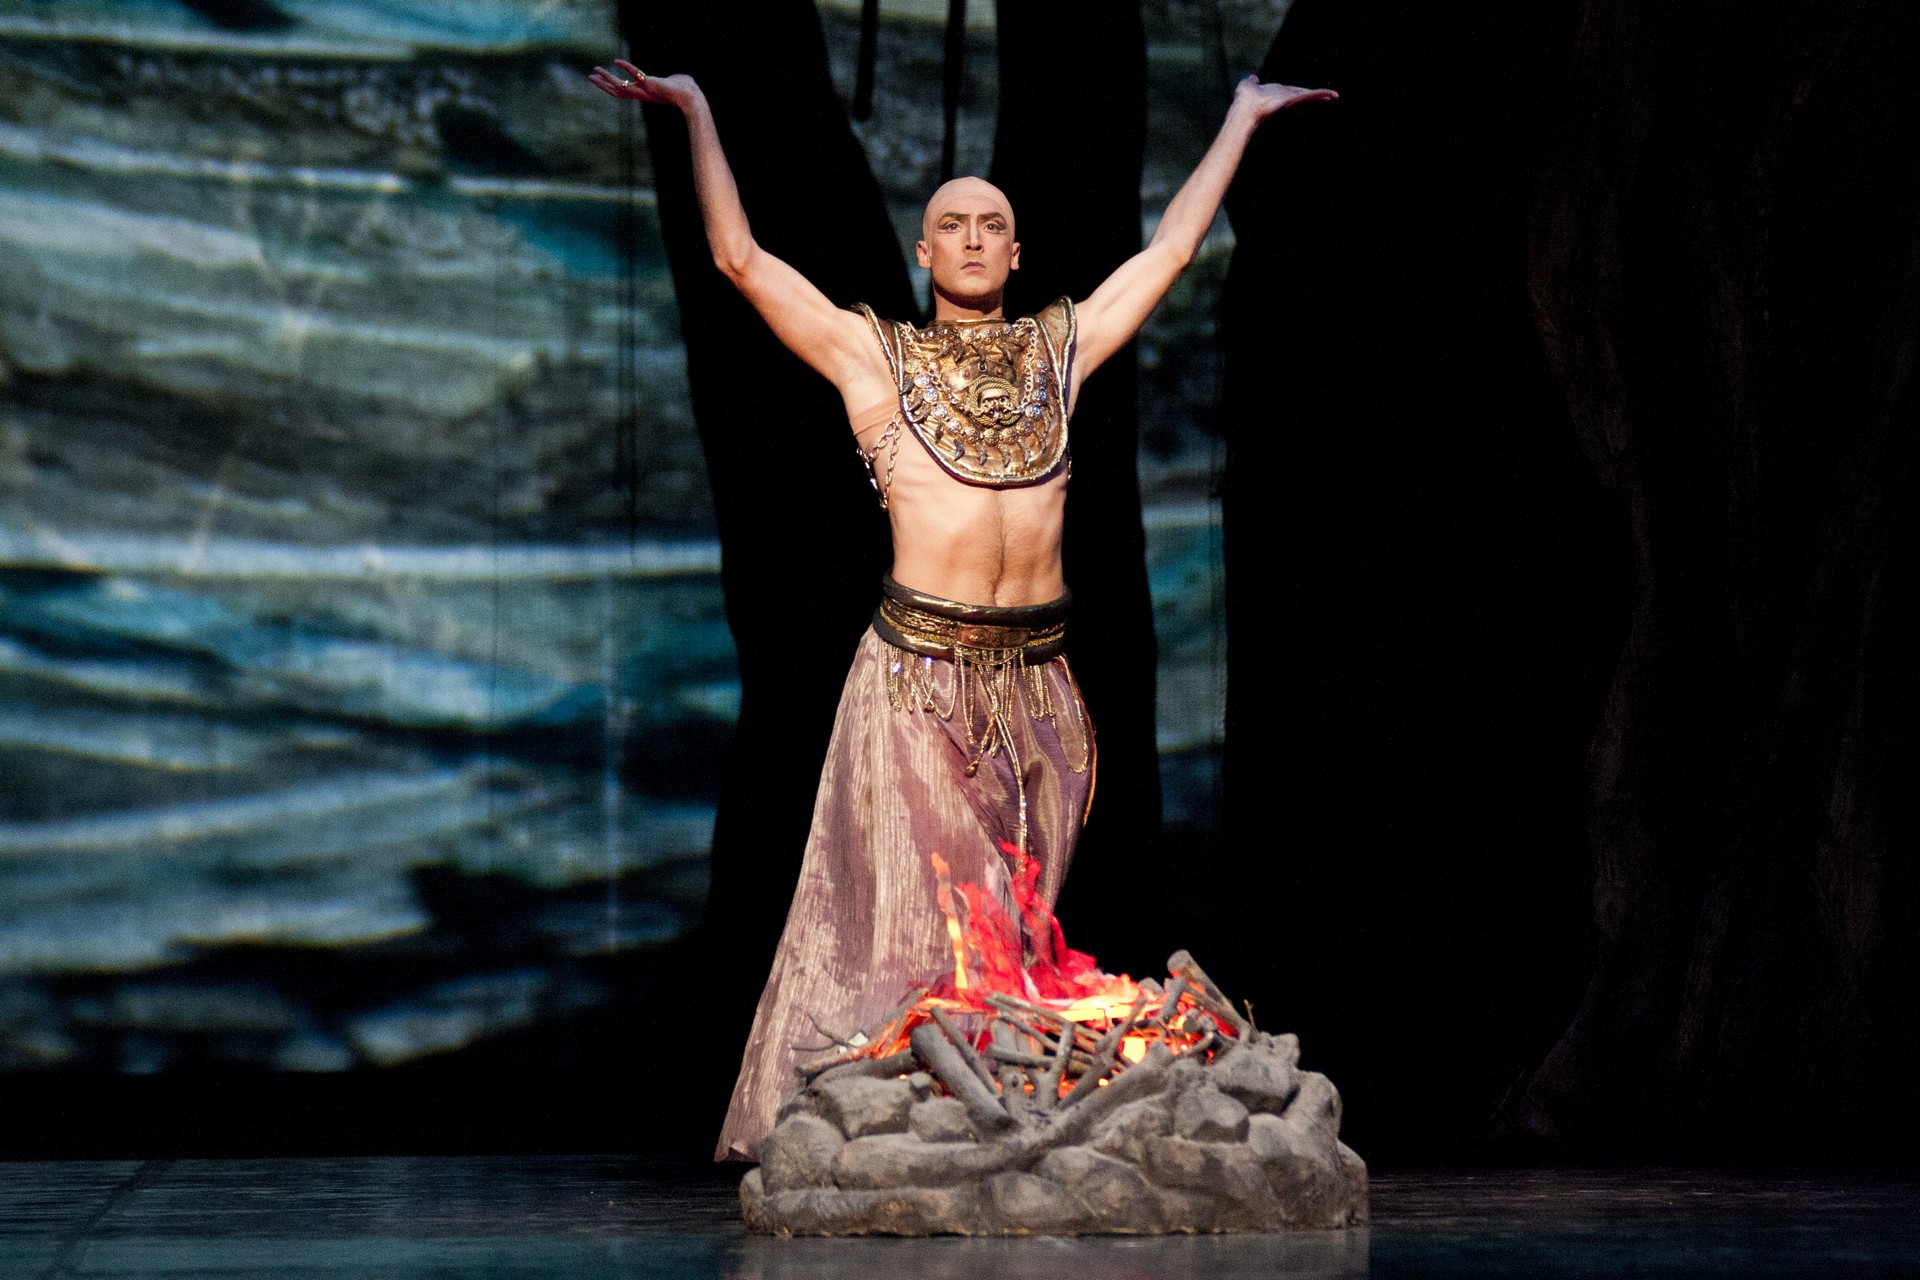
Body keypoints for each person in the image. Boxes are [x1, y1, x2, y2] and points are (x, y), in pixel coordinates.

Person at [591, 58, 1334, 1161]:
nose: (975, 239)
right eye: (953, 225)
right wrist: (699, 109)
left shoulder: (1058, 353)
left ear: (1016, 253)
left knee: (1017, 948)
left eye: (993, 225)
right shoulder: (874, 358)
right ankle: (914, 1136)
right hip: (917, 685)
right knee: (944, 934)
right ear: (924, 252)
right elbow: (739, 258)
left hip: (1040, 691)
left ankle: (990, 1137)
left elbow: (1171, 250)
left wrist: (1239, 118)